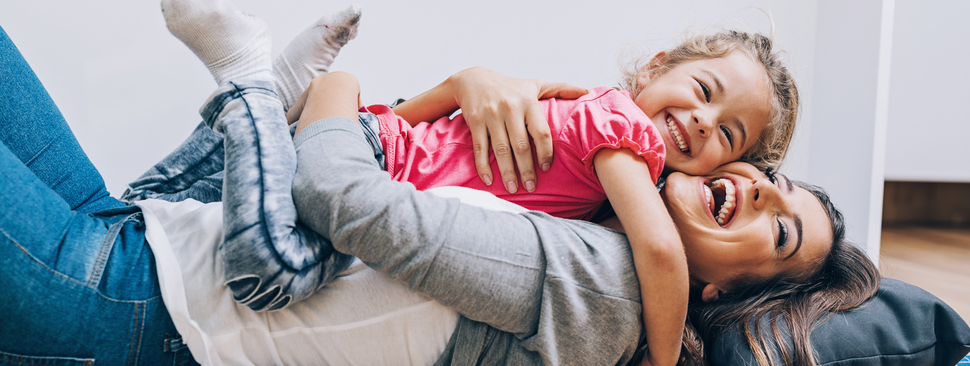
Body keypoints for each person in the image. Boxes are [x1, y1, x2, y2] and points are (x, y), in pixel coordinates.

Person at [0, 3, 878, 366]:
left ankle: (258, 84)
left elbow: (343, 197)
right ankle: (268, 89)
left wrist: (343, 96)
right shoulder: (604, 157)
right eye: (768, 178)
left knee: (278, 249)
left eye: (782, 227)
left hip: (130, 304)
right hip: (135, 232)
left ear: (725, 286)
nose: (751, 183)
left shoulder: (611, 285)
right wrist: (462, 85)